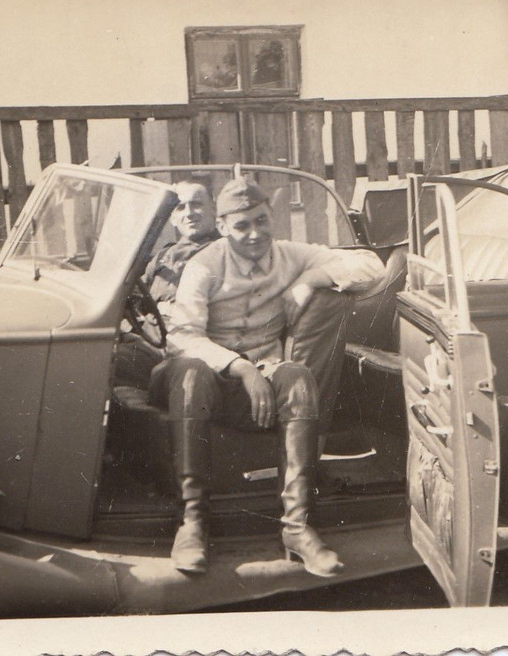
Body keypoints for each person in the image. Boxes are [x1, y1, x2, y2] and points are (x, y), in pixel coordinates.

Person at [160, 177, 384, 577]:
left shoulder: (289, 255)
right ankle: (192, 523)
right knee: (191, 373)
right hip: (209, 377)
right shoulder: (204, 265)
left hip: (265, 376)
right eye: (242, 225)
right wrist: (240, 366)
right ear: (224, 225)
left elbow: (371, 265)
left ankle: (296, 527)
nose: (254, 234)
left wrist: (308, 281)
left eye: (262, 221)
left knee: (297, 377)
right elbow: (182, 336)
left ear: (272, 219)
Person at [111, 179, 220, 389]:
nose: (189, 213)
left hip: (180, 347)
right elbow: (134, 295)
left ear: (213, 209)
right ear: (173, 218)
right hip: (146, 338)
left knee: (101, 363)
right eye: (180, 207)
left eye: (197, 204)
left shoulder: (223, 252)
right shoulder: (163, 255)